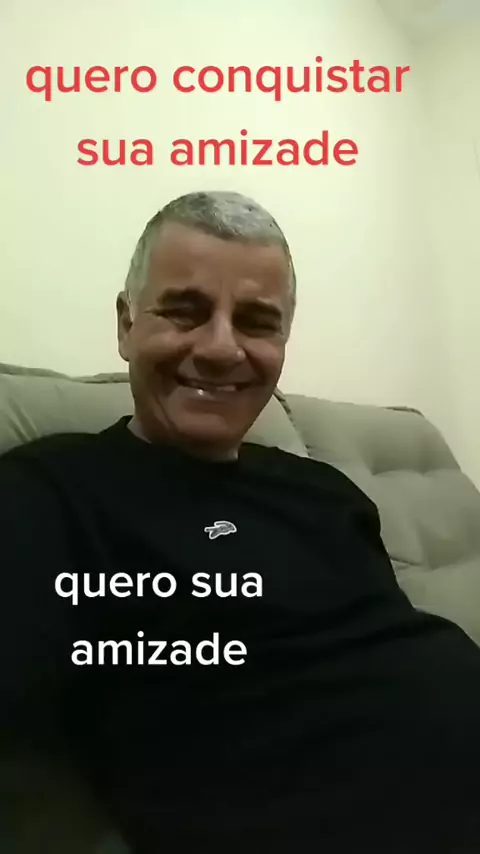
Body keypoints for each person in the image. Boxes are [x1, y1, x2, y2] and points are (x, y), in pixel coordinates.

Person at [1, 190, 480, 854]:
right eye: (185, 311)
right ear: (126, 324)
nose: (222, 348)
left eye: (257, 322)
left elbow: (390, 651)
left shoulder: (323, 490)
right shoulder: (49, 492)